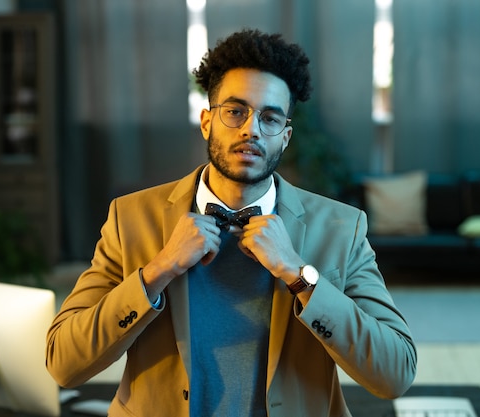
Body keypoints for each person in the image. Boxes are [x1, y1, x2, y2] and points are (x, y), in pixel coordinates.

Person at [46, 28, 417, 417]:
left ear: (286, 137)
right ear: (207, 121)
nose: (251, 129)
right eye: (235, 111)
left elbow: (395, 373)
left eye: (270, 117)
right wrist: (158, 271)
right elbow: (64, 364)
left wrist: (299, 275)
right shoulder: (131, 218)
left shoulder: (342, 228)